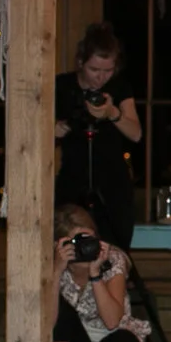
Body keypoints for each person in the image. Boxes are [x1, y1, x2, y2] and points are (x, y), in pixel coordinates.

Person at [49, 203, 149, 342]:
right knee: (62, 311)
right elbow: (48, 324)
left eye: (89, 239)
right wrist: (56, 272)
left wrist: (95, 275)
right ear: (59, 244)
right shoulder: (53, 263)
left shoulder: (111, 258)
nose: (85, 247)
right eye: (76, 242)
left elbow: (112, 321)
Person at [54, 22, 143, 248]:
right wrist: (54, 130)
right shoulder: (62, 86)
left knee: (115, 249)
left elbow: (136, 134)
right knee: (69, 247)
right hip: (73, 179)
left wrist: (112, 113)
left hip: (113, 184)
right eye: (94, 70)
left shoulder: (119, 87)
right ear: (80, 63)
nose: (101, 77)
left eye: (108, 71)